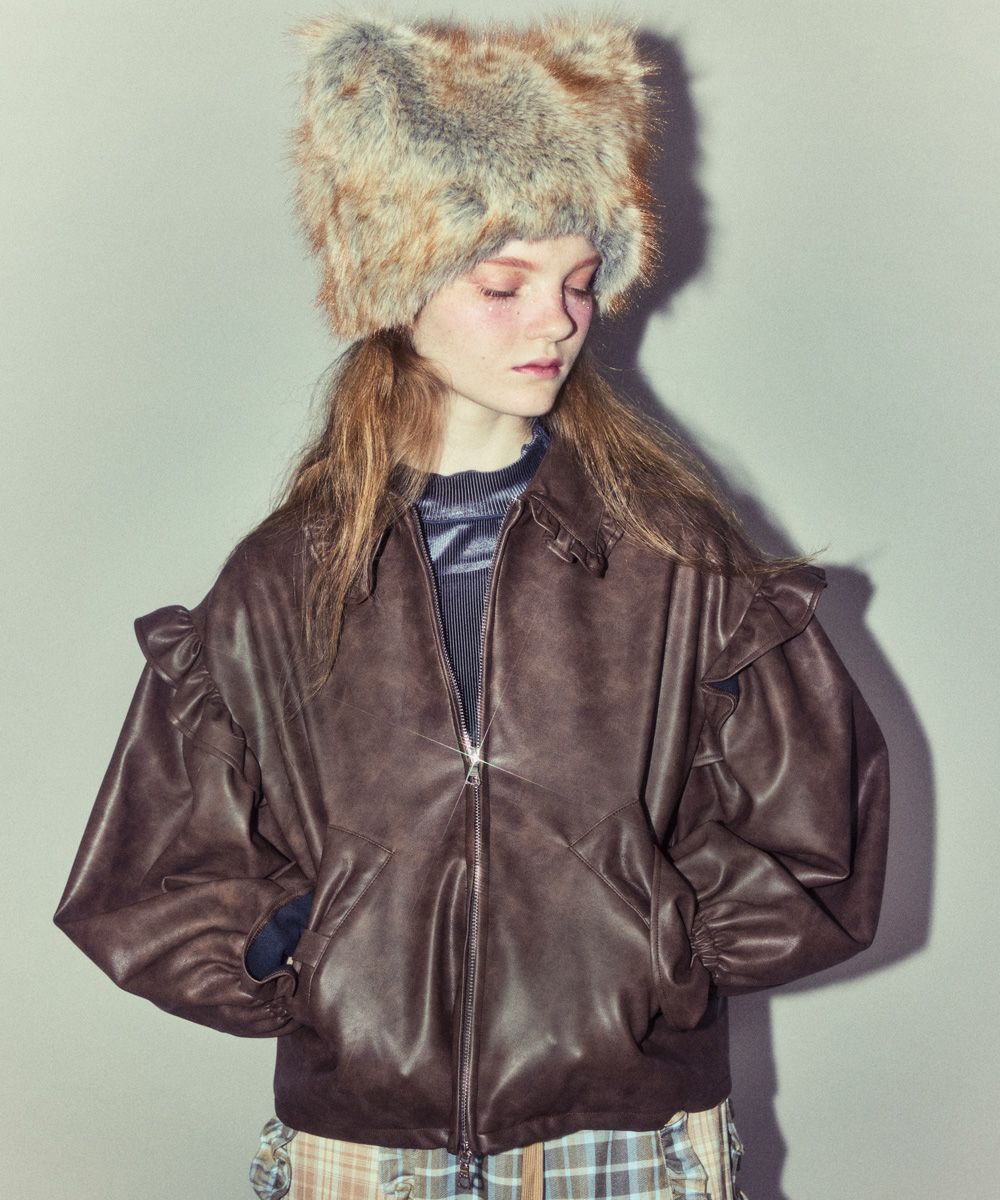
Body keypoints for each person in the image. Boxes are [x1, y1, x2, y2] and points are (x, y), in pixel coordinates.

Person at [53, 11, 890, 1200]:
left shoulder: (674, 556)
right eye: (504, 284)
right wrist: (301, 951)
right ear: (399, 288)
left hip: (623, 1136)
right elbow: (156, 868)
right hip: (363, 1144)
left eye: (579, 283)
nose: (556, 321)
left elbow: (817, 828)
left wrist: (653, 941)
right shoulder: (283, 579)